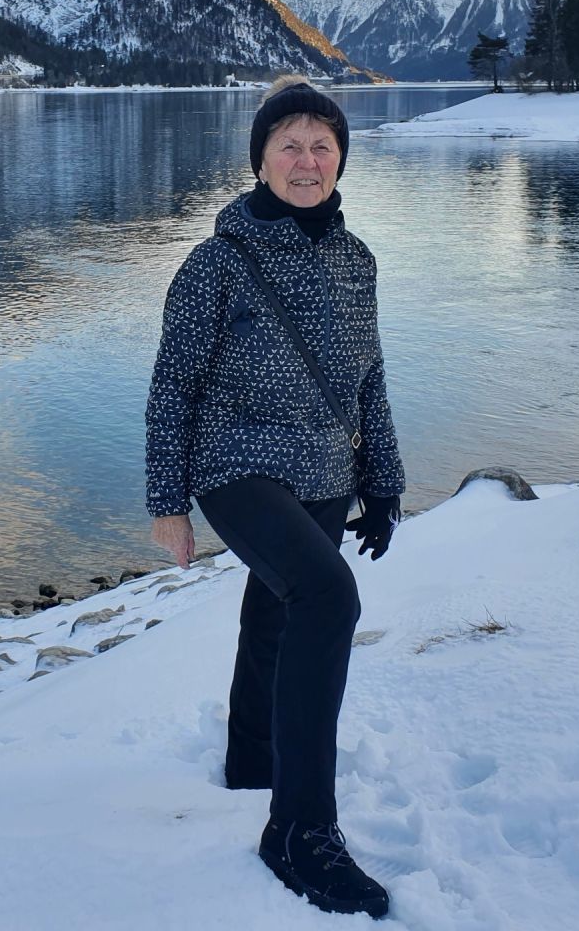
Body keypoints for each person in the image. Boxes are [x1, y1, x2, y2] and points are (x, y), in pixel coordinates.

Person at [145, 75, 405, 919]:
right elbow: (173, 386)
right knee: (327, 598)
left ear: (340, 162)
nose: (307, 159)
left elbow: (368, 381)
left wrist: (386, 482)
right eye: (288, 144)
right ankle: (298, 828)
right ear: (259, 161)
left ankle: (252, 758)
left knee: (277, 612)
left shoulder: (357, 260)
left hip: (328, 470)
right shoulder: (216, 262)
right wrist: (168, 502)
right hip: (237, 465)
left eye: (322, 145)